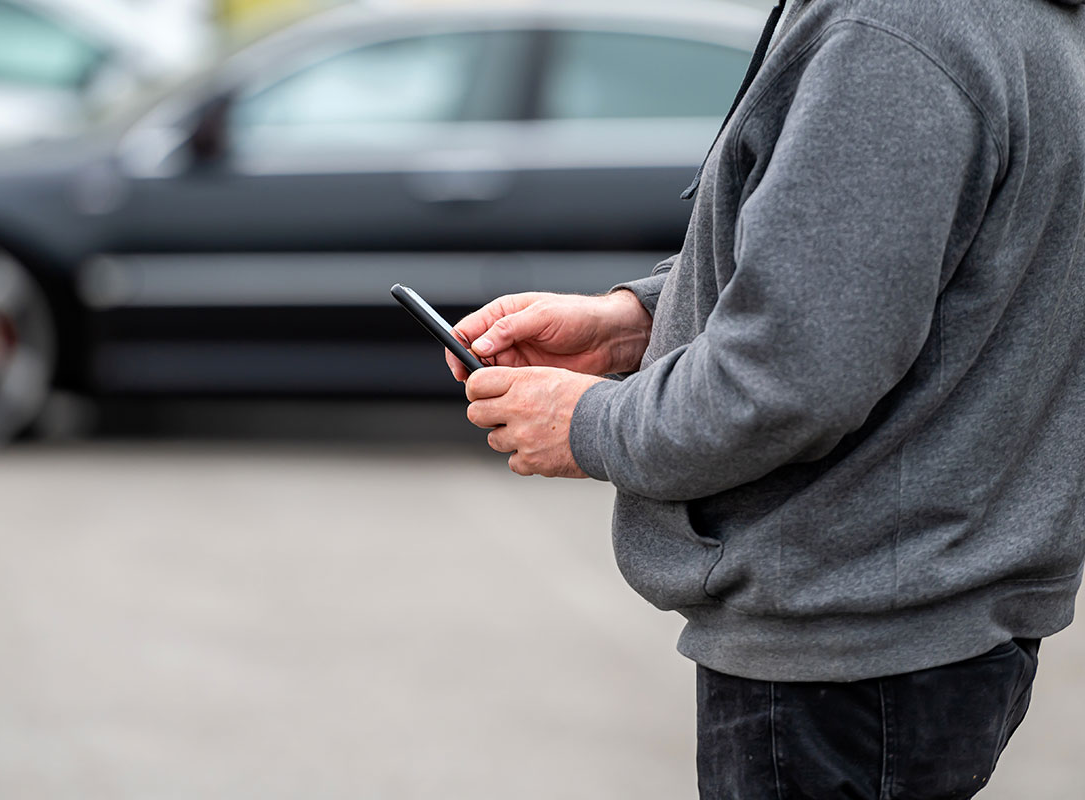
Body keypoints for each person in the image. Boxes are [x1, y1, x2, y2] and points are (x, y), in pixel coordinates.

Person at [445, 0, 1085, 796]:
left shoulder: (899, 32)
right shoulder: (987, 20)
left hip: (848, 653)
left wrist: (586, 423)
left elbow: (787, 381)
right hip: (913, 627)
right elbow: (876, 278)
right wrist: (633, 322)